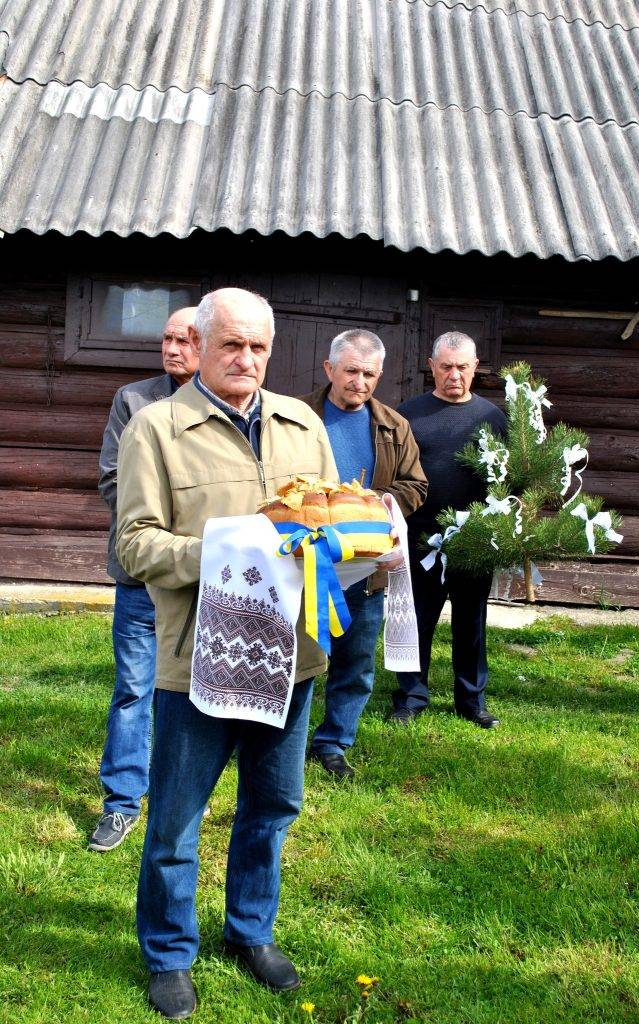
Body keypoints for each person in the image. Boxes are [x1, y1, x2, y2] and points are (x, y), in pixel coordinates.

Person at [116, 288, 337, 1020]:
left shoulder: (303, 422)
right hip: (196, 658)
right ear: (202, 346)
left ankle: (250, 932)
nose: (246, 360)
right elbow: (134, 543)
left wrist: (369, 545)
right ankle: (170, 953)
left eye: (259, 348)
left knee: (273, 804)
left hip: (291, 655)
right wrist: (229, 549)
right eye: (232, 345)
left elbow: (330, 517)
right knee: (177, 818)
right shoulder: (157, 427)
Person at [88, 307, 198, 852]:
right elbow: (112, 478)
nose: (172, 348)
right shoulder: (132, 401)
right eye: (167, 338)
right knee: (134, 689)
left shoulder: (223, 408)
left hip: (203, 578)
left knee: (193, 689)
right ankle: (122, 802)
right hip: (141, 574)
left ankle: (182, 797)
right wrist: (170, 534)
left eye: (184, 339)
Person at [300, 330, 427, 778]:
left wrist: (370, 503)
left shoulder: (394, 424)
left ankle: (333, 743)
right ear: (329, 369)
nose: (360, 382)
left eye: (369, 374)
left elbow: (415, 485)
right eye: (351, 371)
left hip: (368, 566)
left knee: (355, 663)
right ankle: (283, 739)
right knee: (299, 658)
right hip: (305, 563)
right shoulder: (296, 415)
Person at [391, 331, 507, 729]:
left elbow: (508, 481)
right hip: (421, 537)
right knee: (417, 620)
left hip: (475, 540)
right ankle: (410, 697)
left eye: (462, 367)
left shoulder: (493, 418)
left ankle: (471, 700)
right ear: (432, 366)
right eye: (446, 367)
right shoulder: (408, 414)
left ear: (475, 368)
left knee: (471, 621)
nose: (454, 375)